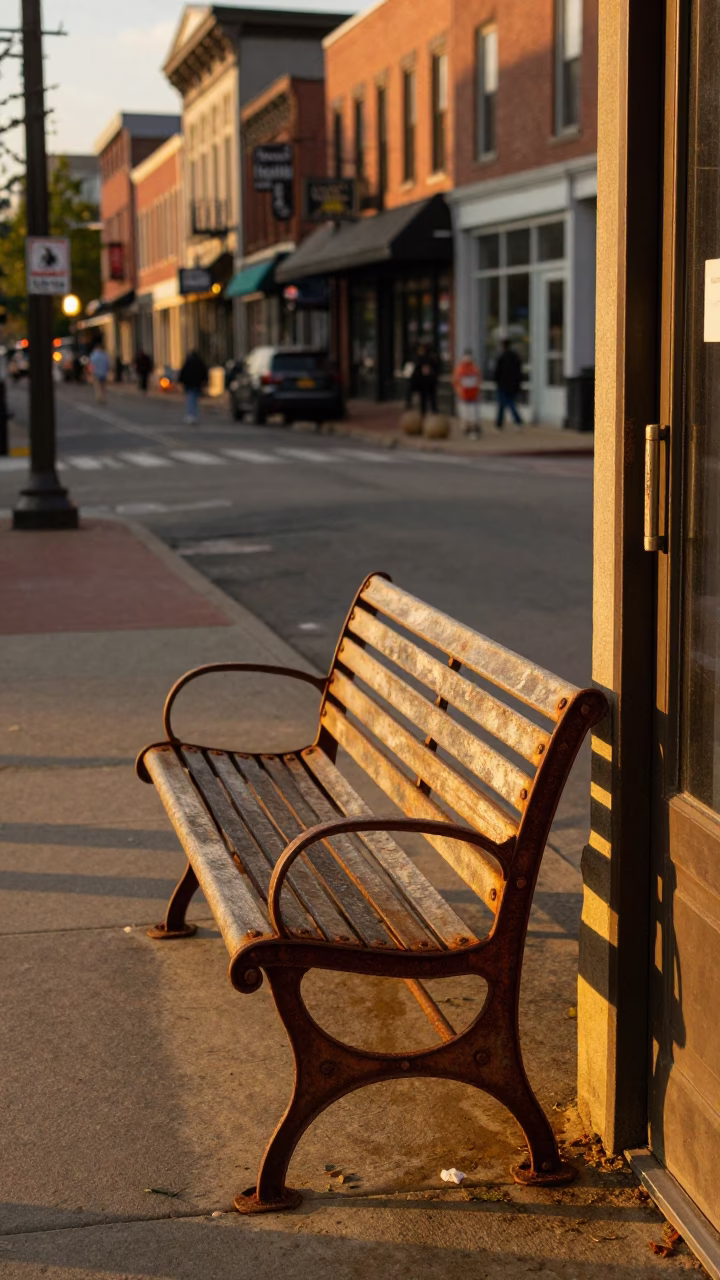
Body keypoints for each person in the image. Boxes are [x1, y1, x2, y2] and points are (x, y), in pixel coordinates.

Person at [494, 339, 523, 428]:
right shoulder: (515, 357)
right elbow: (519, 372)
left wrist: (496, 382)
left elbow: (497, 372)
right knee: (511, 404)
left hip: (503, 385)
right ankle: (517, 421)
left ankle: (499, 423)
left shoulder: (501, 357)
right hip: (512, 385)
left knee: (502, 404)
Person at [452, 349, 482, 438]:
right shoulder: (460, 368)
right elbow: (456, 381)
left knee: (473, 413)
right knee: (465, 413)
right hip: (464, 395)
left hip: (473, 394)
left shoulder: (474, 368)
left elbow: (478, 380)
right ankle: (467, 428)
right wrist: (459, 390)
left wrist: (477, 390)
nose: (468, 358)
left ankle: (473, 428)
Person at [407, 343, 439, 416]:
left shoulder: (425, 359)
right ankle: (429, 412)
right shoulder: (427, 358)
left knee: (427, 399)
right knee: (428, 399)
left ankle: (429, 413)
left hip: (426, 382)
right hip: (425, 382)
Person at [178, 348, 208, 424]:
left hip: (189, 384)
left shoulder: (188, 362)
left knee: (190, 399)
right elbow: (204, 372)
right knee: (194, 400)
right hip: (197, 384)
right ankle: (194, 415)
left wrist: (181, 381)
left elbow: (183, 372)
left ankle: (190, 414)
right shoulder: (200, 362)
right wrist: (205, 381)